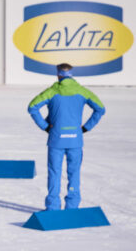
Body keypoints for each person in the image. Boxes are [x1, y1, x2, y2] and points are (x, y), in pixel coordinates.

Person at [27, 63, 105, 211]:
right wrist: (87, 127)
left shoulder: (52, 91)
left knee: (54, 173)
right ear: (72, 74)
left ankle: (53, 207)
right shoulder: (82, 91)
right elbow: (100, 109)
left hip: (56, 139)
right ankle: (72, 207)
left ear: (58, 74)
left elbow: (32, 107)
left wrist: (44, 126)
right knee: (74, 173)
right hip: (75, 139)